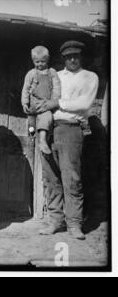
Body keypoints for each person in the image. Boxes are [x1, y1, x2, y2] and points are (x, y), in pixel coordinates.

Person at [36, 40, 99, 240]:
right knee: (51, 178)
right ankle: (55, 220)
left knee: (71, 178)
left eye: (76, 56)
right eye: (68, 56)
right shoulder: (55, 75)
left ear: (81, 56)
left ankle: (74, 223)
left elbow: (83, 104)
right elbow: (43, 99)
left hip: (71, 130)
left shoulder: (89, 77)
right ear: (63, 58)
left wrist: (57, 103)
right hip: (49, 128)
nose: (72, 59)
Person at [21, 45, 61, 154]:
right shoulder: (31, 74)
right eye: (37, 62)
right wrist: (25, 103)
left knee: (47, 117)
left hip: (46, 104)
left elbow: (56, 88)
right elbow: (25, 89)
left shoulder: (52, 72)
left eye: (42, 61)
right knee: (31, 125)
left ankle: (43, 140)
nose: (40, 64)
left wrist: (53, 101)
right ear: (33, 61)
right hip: (34, 103)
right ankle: (31, 141)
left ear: (47, 60)